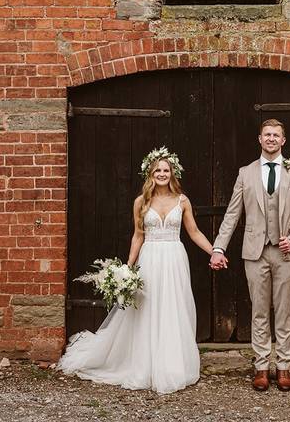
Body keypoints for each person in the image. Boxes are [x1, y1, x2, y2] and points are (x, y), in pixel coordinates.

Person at [56, 147, 215, 394]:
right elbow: (138, 236)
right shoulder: (141, 202)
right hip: (150, 257)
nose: (162, 174)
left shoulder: (183, 201)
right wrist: (128, 269)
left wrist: (214, 251)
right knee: (147, 310)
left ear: (173, 174)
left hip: (174, 258)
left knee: (173, 308)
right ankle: (144, 364)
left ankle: (172, 365)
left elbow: (193, 232)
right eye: (157, 171)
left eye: (166, 170)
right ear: (149, 174)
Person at [210, 119, 290, 392]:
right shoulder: (246, 173)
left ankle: (283, 367)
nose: (271, 138)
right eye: (266, 134)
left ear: (283, 140)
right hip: (254, 252)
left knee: (283, 310)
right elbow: (232, 214)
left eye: (276, 135)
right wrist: (219, 247)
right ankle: (260, 366)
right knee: (259, 312)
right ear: (259, 139)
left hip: (286, 253)